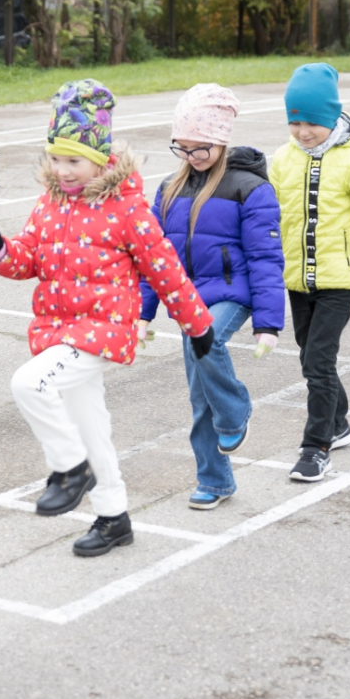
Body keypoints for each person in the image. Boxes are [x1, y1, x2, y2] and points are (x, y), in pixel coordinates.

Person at [0, 80, 212, 555]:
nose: (62, 170)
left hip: (102, 332)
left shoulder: (127, 209)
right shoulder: (51, 202)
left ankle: (70, 468)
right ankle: (113, 517)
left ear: (101, 159)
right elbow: (30, 258)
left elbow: (164, 268)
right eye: (56, 159)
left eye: (74, 161)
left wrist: (197, 323)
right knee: (91, 427)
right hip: (59, 331)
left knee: (29, 384)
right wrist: (0, 252)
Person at [138, 83, 284, 508]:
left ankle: (236, 411)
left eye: (199, 147)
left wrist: (268, 323)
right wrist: (143, 312)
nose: (190, 156)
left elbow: (265, 257)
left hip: (231, 292)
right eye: (181, 148)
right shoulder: (168, 188)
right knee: (200, 395)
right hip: (188, 299)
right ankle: (215, 480)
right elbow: (153, 257)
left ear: (220, 140)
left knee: (205, 336)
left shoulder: (250, 187)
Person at [268, 63, 350, 481]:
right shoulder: (283, 159)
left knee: (319, 361)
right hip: (297, 279)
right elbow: (270, 220)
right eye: (295, 122)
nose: (303, 132)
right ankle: (339, 423)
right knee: (309, 357)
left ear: (331, 116)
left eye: (312, 123)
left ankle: (316, 447)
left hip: (339, 281)